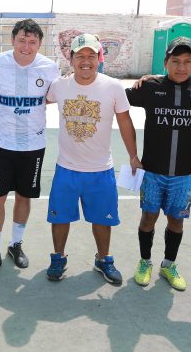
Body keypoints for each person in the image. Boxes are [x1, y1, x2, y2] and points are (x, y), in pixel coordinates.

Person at [125, 37, 191, 291]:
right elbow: (113, 97)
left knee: (176, 221)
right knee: (148, 217)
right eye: (175, 61)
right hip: (152, 173)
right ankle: (145, 261)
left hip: (184, 175)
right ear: (166, 63)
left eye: (187, 62)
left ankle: (169, 264)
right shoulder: (150, 88)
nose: (181, 67)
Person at [44, 33, 141, 283]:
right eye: (80, 56)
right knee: (60, 217)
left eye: (90, 56)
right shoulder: (59, 86)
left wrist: (134, 156)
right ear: (71, 59)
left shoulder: (113, 87)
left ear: (99, 58)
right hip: (66, 168)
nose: (85, 61)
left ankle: (103, 259)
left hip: (100, 170)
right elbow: (36, 99)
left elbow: (125, 122)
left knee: (102, 219)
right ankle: (58, 257)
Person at [0, 19, 59, 276]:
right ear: (13, 40)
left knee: (24, 197)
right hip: (2, 145)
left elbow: (56, 96)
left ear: (39, 44)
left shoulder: (49, 67)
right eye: (22, 40)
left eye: (32, 42)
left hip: (33, 147)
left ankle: (15, 245)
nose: (26, 46)